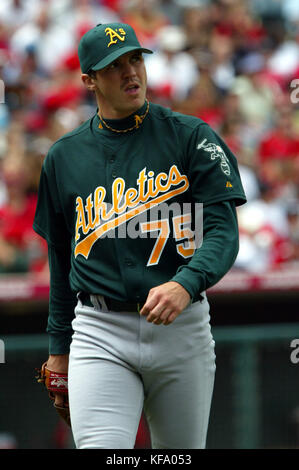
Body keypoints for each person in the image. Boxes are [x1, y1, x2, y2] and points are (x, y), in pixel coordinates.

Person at [33, 22, 247, 449]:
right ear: (89, 80)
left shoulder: (191, 137)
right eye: (114, 66)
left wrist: (186, 283)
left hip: (181, 326)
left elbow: (223, 233)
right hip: (100, 328)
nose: (130, 72)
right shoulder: (64, 157)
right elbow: (61, 259)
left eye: (135, 59)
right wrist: (59, 347)